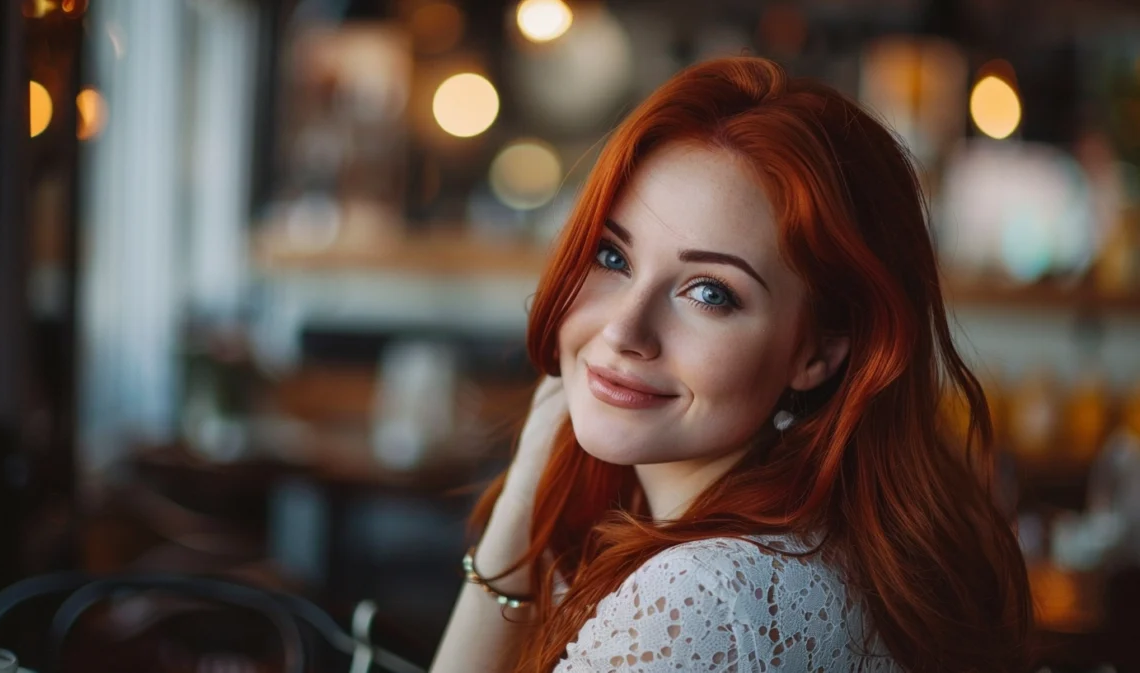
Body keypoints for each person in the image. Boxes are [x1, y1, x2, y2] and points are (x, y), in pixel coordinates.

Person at [432, 56, 1034, 673]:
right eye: (612, 257)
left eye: (710, 293)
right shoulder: (815, 546)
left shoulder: (700, 601)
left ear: (819, 352)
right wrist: (530, 480)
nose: (623, 330)